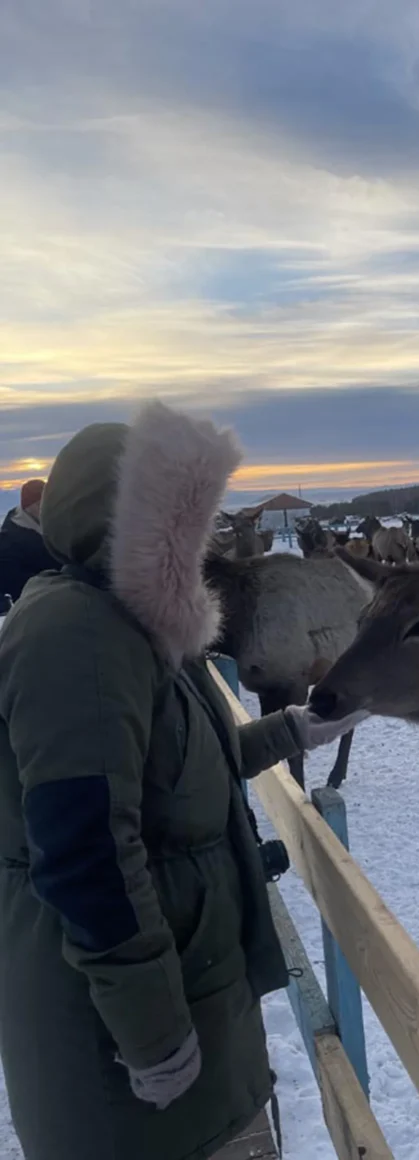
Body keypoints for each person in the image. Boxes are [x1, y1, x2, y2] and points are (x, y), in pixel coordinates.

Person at [0, 402, 366, 1160]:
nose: (196, 541)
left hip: (179, 999)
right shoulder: (75, 636)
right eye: (179, 517)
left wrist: (294, 730)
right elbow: (84, 849)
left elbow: (181, 772)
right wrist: (153, 1036)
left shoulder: (137, 628)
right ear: (128, 523)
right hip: (119, 1054)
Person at [0, 478, 57, 603]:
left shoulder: (56, 524)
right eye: (38, 504)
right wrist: (50, 583)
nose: (44, 508)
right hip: (33, 604)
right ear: (27, 507)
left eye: (46, 503)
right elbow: (9, 579)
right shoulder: (9, 538)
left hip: (65, 596)